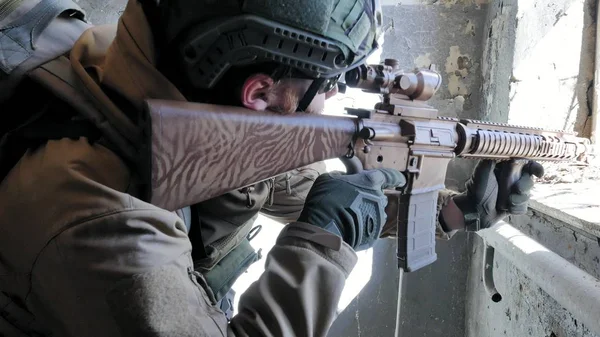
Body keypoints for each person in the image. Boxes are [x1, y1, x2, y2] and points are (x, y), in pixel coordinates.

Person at [0, 0, 543, 336]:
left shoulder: (157, 77)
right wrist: (320, 247)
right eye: (327, 87)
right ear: (258, 93)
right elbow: (325, 221)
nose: (330, 105)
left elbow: (304, 192)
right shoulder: (95, 220)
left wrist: (452, 212)